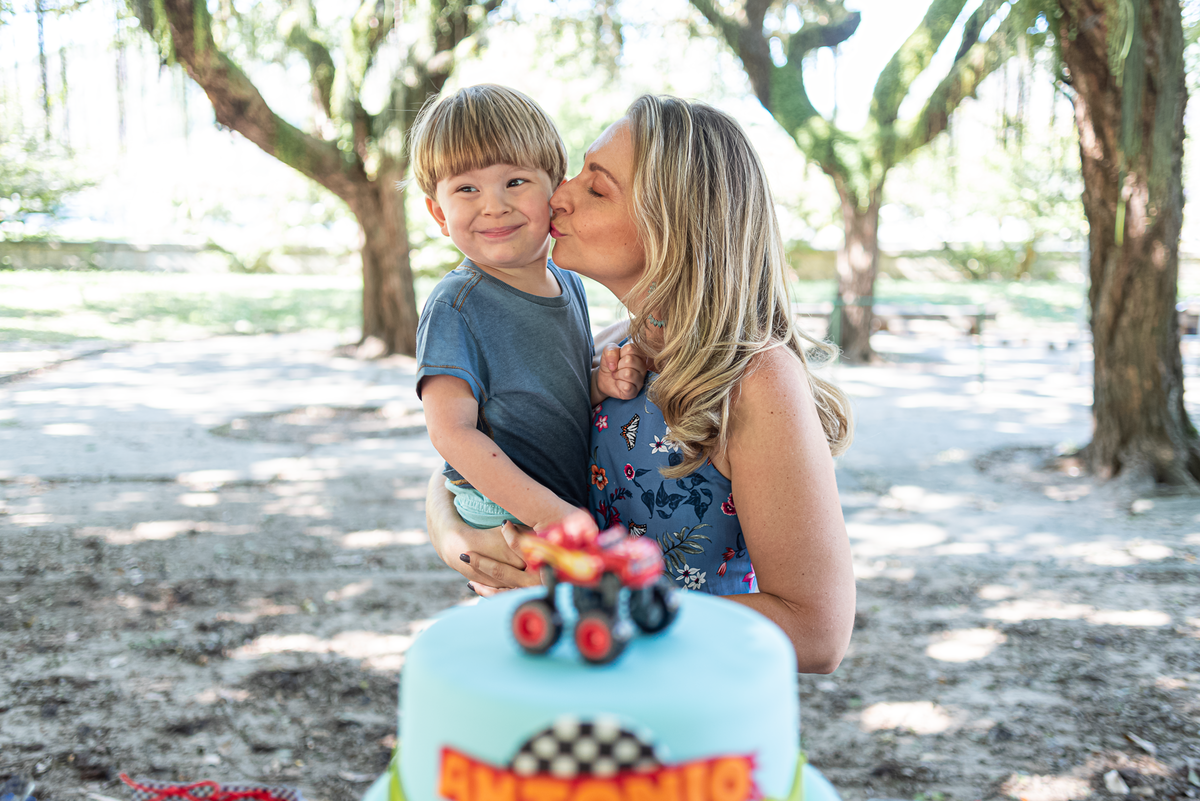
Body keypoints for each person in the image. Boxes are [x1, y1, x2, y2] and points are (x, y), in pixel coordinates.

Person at [425, 94, 856, 673]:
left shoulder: (752, 378)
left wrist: (599, 605)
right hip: (578, 682)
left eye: (597, 188)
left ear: (674, 225)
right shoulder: (610, 348)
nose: (559, 195)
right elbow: (470, 447)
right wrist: (452, 532)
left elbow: (817, 631)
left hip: (682, 710)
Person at [410, 84, 647, 534]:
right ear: (439, 215)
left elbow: (550, 392)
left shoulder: (570, 283)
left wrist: (598, 384)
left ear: (554, 190)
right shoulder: (456, 305)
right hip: (503, 509)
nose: (494, 206)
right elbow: (451, 432)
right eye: (466, 189)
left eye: (515, 182)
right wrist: (548, 514)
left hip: (560, 501)